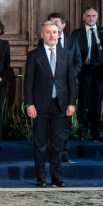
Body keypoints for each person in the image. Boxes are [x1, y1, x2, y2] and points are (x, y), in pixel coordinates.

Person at [25, 20, 78, 187]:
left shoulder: (66, 54)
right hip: (40, 106)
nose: (52, 35)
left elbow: (71, 82)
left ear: (59, 34)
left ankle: (56, 178)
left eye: (54, 32)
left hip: (61, 105)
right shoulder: (34, 55)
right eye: (48, 32)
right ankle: (41, 178)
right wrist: (29, 104)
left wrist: (71, 103)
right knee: (40, 143)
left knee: (58, 144)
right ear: (42, 35)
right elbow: (28, 82)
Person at [42, 12, 82, 162]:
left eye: (56, 22)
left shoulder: (72, 41)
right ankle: (49, 153)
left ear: (63, 25)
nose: (54, 26)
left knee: (63, 125)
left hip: (65, 89)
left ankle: (64, 153)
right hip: (48, 92)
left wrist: (70, 76)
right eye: (51, 22)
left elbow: (78, 62)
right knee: (48, 126)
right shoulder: (44, 43)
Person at [71, 7, 103, 141]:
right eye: (88, 16)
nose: (91, 18)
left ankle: (96, 132)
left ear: (97, 17)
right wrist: (74, 74)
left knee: (97, 103)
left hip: (100, 71)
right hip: (84, 70)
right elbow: (72, 55)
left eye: (93, 16)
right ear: (84, 18)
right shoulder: (77, 33)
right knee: (83, 102)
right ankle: (82, 131)